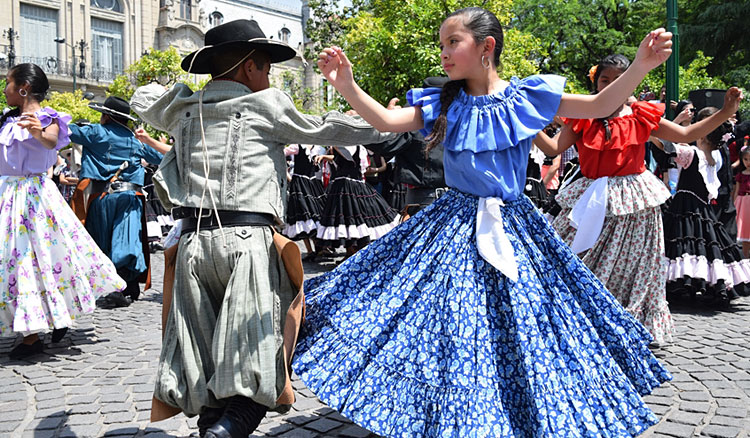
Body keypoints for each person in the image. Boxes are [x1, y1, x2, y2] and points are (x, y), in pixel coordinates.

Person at [293, 8, 676, 437]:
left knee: (524, 322)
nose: (443, 53)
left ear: (486, 47)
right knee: (449, 320)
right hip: (451, 226)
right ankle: (453, 413)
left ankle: (512, 410)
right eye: (442, 45)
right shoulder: (441, 101)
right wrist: (346, 85)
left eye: (452, 43)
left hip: (514, 226)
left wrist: (641, 66)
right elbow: (385, 121)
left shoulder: (527, 95)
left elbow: (601, 104)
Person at [129, 19, 397, 438]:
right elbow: (329, 127)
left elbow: (141, 96)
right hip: (247, 243)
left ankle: (212, 429)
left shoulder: (180, 109)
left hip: (194, 248)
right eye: (267, 67)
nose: (269, 76)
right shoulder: (267, 105)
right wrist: (396, 120)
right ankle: (226, 431)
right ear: (249, 67)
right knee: (259, 349)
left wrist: (181, 92)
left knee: (205, 354)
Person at [536, 54, 743, 345]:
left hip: (634, 201)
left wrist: (725, 112)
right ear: (595, 83)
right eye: (604, 80)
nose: (610, 86)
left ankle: (625, 326)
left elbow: (686, 134)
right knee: (573, 257)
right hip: (590, 197)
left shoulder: (640, 115)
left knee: (634, 268)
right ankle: (578, 320)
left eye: (618, 81)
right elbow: (553, 146)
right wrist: (526, 121)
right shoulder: (582, 117)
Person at [0, 63, 126, 359]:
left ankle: (33, 336)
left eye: (8, 83)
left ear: (23, 88)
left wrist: (39, 132)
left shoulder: (47, 117)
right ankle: (46, 320)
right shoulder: (6, 120)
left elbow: (52, 139)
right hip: (9, 195)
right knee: (23, 261)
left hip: (33, 198)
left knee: (36, 258)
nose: (4, 88)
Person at [68, 97, 166, 307]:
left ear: (107, 115)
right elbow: (161, 157)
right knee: (127, 239)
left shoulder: (96, 132)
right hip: (130, 197)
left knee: (101, 241)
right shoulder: (135, 140)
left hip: (102, 197)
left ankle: (115, 286)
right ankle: (127, 285)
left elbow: (64, 131)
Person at [664, 107, 750, 304]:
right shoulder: (713, 158)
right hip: (704, 209)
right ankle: (701, 283)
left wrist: (674, 122)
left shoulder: (692, 153)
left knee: (682, 244)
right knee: (705, 247)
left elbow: (665, 145)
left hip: (684, 206)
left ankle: (682, 283)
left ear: (701, 136)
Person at [314, 145, 400, 260]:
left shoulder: (354, 147)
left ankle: (356, 253)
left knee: (354, 219)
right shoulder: (347, 147)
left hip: (350, 186)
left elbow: (348, 155)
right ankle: (350, 253)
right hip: (345, 185)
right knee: (346, 220)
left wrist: (327, 153)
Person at [282, 144, 327, 261]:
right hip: (301, 183)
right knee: (302, 214)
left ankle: (319, 247)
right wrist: (288, 175)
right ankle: (311, 250)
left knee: (315, 214)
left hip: (311, 183)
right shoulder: (297, 146)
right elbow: (281, 153)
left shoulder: (319, 148)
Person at [734, 145, 750, 258]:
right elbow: (736, 191)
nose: (748, 162)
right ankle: (745, 257)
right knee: (744, 230)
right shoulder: (740, 175)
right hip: (742, 203)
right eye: (745, 159)